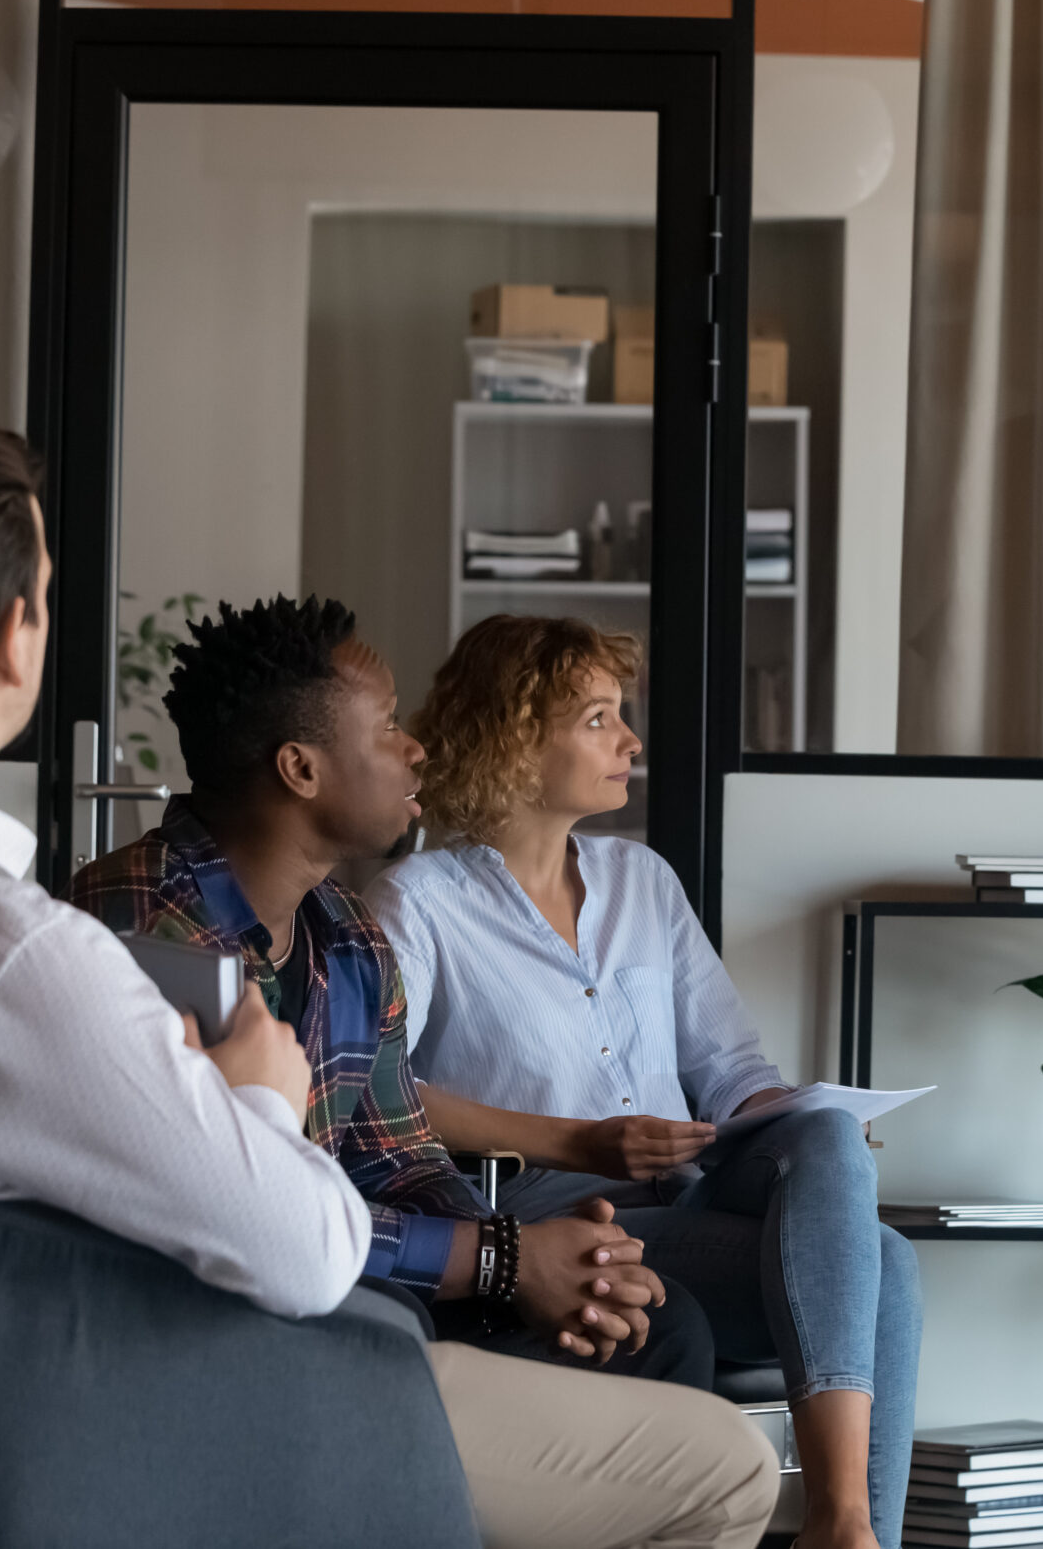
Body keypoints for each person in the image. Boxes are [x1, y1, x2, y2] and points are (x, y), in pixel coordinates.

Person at [70, 595, 775, 1549]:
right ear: (302, 767)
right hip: (232, 1315)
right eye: (388, 727)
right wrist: (499, 1259)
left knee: (659, 1323)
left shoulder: (348, 937)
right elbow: (232, 1212)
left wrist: (539, 1267)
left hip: (378, 1286)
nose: (417, 752)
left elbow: (398, 1156)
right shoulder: (141, 926)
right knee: (414, 1333)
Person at [367, 613, 920, 1549]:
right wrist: (576, 1138)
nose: (629, 741)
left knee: (826, 1141)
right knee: (890, 1269)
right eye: (597, 719)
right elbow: (381, 1096)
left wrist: (799, 1119)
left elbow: (735, 1072)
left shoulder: (642, 880)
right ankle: (852, 1530)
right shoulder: (420, 902)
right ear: (514, 733)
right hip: (563, 1215)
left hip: (693, 1188)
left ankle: (845, 1524)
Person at [0, 416, 365, 1319]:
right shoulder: (16, 961)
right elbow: (317, 1251)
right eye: (48, 595)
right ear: (9, 636)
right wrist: (262, 1094)